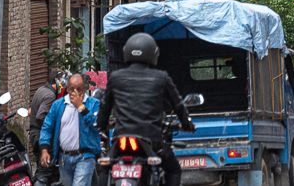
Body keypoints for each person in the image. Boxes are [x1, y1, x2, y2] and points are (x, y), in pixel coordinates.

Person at [97, 33, 194, 186]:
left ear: (126, 51)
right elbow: (179, 105)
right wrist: (187, 124)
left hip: (120, 140)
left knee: (104, 166)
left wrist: (101, 126)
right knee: (173, 169)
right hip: (152, 141)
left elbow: (104, 107)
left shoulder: (115, 77)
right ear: (153, 54)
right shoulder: (161, 77)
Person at [38, 74, 100, 186]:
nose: (75, 92)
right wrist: (44, 149)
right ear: (67, 89)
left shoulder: (93, 104)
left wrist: (81, 107)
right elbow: (47, 127)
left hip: (85, 157)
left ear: (85, 89)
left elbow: (96, 124)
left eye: (79, 89)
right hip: (64, 157)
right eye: (72, 89)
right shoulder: (58, 105)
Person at [30, 75, 64, 184]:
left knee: (45, 170)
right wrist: (53, 126)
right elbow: (40, 116)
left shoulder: (41, 89)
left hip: (35, 135)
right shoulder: (50, 96)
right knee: (45, 171)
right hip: (42, 136)